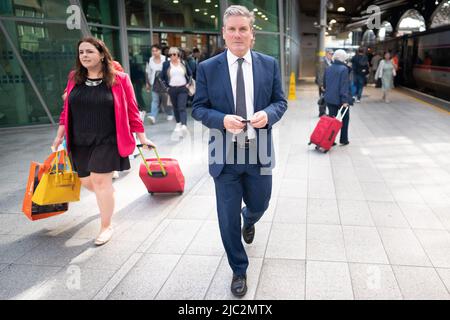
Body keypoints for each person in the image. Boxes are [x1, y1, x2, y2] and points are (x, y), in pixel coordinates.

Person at [192, 5, 287, 297]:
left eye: (242, 29)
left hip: (259, 151)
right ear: (224, 33)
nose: (237, 34)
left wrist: (268, 115)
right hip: (224, 154)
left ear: (252, 34)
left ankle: (251, 217)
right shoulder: (208, 68)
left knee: (261, 203)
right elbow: (198, 108)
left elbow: (280, 103)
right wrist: (220, 120)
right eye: (231, 29)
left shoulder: (269, 64)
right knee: (226, 217)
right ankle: (239, 269)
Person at [52, 37, 155, 246]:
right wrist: (59, 135)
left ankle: (106, 225)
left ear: (101, 54)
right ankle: (106, 193)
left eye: (89, 51)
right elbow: (66, 110)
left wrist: (142, 138)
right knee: (86, 181)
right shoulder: (74, 78)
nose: (84, 56)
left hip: (108, 139)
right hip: (80, 140)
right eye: (81, 52)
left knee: (100, 181)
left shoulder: (120, 79)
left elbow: (132, 111)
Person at [161, 47, 193, 135]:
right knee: (175, 107)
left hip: (183, 88)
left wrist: (188, 84)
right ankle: (178, 123)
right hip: (172, 89)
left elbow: (190, 74)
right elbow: (162, 77)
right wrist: (166, 88)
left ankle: (184, 125)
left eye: (174, 54)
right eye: (170, 54)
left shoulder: (183, 63)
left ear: (178, 55)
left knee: (181, 106)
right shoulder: (166, 64)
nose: (172, 56)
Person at [323, 49, 351, 146]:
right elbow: (344, 85)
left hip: (330, 98)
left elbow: (324, 84)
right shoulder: (344, 69)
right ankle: (343, 139)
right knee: (345, 119)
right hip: (340, 100)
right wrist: (345, 100)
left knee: (332, 119)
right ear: (343, 58)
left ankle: (331, 140)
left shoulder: (328, 68)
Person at [145, 44, 173, 124]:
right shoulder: (150, 60)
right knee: (155, 100)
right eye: (153, 51)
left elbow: (170, 71)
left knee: (165, 101)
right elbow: (147, 71)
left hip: (164, 83)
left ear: (160, 51)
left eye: (156, 50)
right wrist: (147, 83)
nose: (154, 52)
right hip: (155, 83)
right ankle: (153, 116)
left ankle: (170, 113)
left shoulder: (166, 59)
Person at [315, 49, 333, 117]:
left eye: (332, 54)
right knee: (323, 98)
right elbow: (320, 74)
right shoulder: (322, 63)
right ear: (326, 54)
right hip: (323, 84)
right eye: (330, 54)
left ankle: (326, 112)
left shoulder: (332, 62)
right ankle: (322, 112)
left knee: (328, 98)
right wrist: (321, 85)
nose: (331, 55)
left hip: (330, 84)